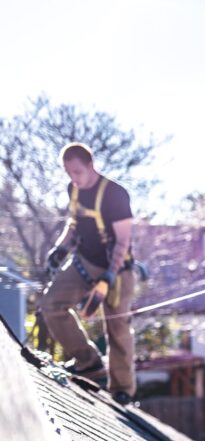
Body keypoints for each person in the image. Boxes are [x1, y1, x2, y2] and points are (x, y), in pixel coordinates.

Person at [41, 142, 137, 405]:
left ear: (91, 165)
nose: (74, 178)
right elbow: (73, 225)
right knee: (51, 304)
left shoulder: (115, 195)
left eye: (78, 172)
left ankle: (122, 390)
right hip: (83, 262)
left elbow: (123, 241)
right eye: (69, 173)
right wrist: (59, 250)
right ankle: (88, 362)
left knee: (116, 328)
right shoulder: (73, 189)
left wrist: (109, 276)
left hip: (117, 269)